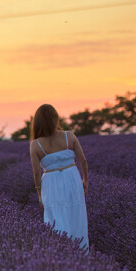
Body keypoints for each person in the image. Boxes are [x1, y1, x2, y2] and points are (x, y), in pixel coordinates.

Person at [29, 104, 89, 253]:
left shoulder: (35, 145)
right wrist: (85, 180)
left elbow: (36, 173)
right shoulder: (69, 136)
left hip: (50, 182)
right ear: (55, 118)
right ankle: (81, 253)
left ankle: (61, 254)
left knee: (55, 217)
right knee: (76, 214)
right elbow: (83, 160)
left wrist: (39, 194)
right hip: (72, 177)